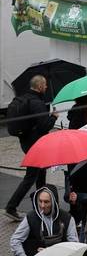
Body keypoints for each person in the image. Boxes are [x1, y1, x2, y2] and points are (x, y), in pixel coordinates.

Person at [5, 75, 58, 222]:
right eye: (45, 85)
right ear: (40, 86)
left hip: (26, 142)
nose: (46, 87)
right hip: (36, 145)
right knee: (31, 177)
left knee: (40, 175)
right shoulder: (36, 103)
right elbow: (44, 126)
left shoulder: (26, 98)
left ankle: (41, 206)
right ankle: (11, 207)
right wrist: (53, 117)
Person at [10, 186, 78, 256]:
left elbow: (74, 245)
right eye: (40, 201)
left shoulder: (67, 218)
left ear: (54, 202)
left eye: (46, 202)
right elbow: (16, 240)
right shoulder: (31, 217)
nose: (42, 206)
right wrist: (22, 255)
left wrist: (50, 252)